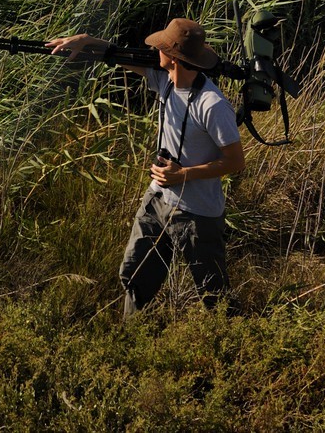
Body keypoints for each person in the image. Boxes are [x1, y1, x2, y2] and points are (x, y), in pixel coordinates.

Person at [46, 18, 245, 316]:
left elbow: (235, 161)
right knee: (135, 276)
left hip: (197, 214)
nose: (155, 51)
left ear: (175, 57)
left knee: (214, 296)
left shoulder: (213, 105)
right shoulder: (163, 79)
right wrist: (87, 40)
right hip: (157, 200)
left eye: (162, 46)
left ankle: (236, 348)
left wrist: (184, 174)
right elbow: (119, 55)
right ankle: (131, 341)